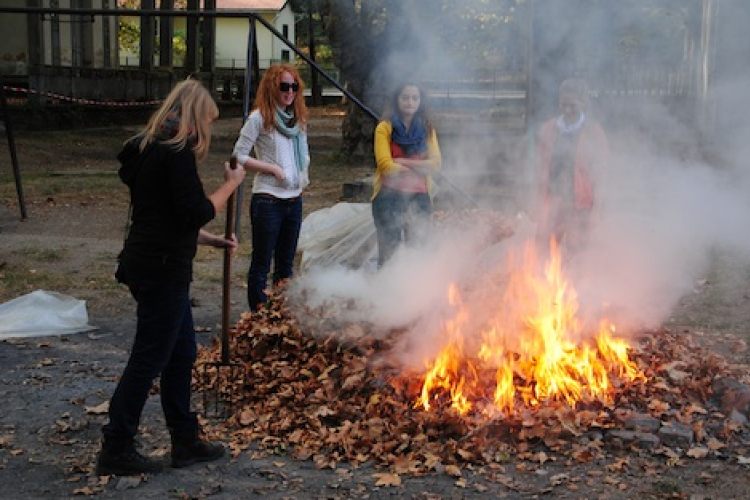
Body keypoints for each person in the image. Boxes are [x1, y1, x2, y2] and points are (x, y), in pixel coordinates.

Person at [96, 79, 246, 476]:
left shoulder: (148, 148)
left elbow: (167, 215)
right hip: (161, 270)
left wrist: (210, 241)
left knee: (181, 355)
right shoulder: (175, 152)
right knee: (148, 359)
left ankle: (185, 440)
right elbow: (195, 210)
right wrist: (230, 186)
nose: (204, 133)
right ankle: (117, 445)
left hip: (151, 261)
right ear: (195, 117)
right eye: (206, 123)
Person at [232, 63, 310, 312]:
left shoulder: (298, 121)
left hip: (294, 199)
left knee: (286, 264)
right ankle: (258, 319)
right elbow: (239, 155)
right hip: (268, 199)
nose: (289, 92)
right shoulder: (259, 118)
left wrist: (301, 176)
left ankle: (279, 316)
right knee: (262, 263)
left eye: (294, 86)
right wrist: (271, 169)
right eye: (284, 86)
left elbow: (302, 155)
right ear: (272, 88)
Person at [371, 82, 442, 268]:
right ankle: (386, 292)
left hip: (420, 198)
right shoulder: (384, 128)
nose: (410, 102)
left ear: (420, 101)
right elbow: (386, 166)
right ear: (397, 100)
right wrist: (420, 166)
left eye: (414, 98)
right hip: (388, 198)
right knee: (389, 254)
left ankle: (413, 294)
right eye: (405, 97)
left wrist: (404, 162)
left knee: (418, 251)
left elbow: (435, 165)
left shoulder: (427, 129)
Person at [534, 78, 609, 254]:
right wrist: (537, 203)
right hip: (552, 203)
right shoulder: (549, 129)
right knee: (543, 250)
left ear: (583, 104)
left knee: (578, 255)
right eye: (563, 105)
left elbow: (601, 174)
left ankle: (577, 282)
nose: (567, 110)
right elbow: (540, 170)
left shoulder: (593, 132)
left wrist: (596, 210)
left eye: (573, 106)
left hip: (580, 207)